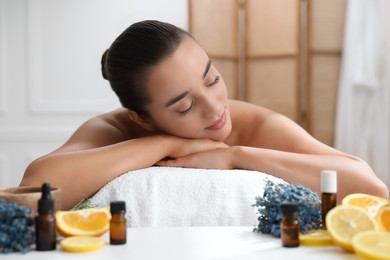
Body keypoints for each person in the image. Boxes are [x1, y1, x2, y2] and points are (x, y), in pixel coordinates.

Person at [20, 20, 389, 210]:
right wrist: (165, 143)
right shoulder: (114, 129)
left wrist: (236, 155)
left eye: (212, 79)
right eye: (185, 106)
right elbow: (37, 184)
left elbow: (370, 187)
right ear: (141, 118)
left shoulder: (253, 125)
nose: (215, 108)